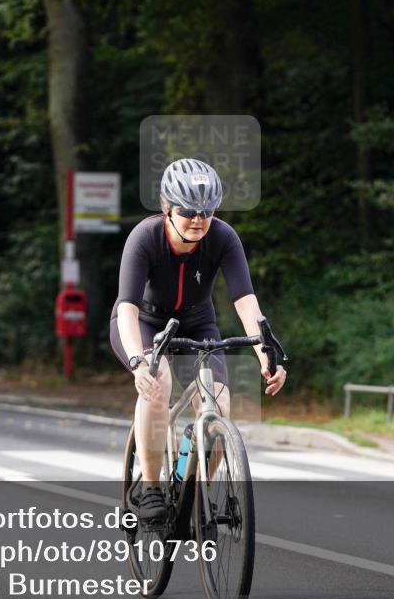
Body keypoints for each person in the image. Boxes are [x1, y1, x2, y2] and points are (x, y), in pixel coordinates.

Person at [109, 158, 287, 526]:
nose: (198, 219)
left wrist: (265, 354)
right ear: (167, 208)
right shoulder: (145, 237)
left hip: (197, 321)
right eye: (188, 211)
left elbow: (245, 302)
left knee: (219, 403)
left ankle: (196, 487)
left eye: (206, 211)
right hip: (143, 321)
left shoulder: (223, 237)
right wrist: (139, 361)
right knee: (158, 385)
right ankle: (152, 489)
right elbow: (126, 307)